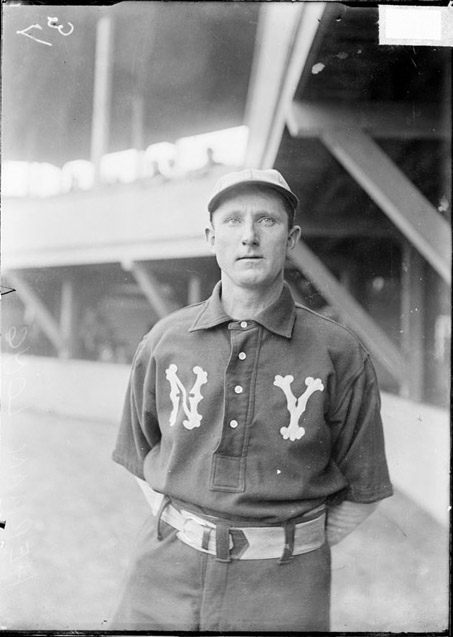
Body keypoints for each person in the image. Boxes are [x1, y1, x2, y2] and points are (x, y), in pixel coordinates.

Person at [110, 168, 393, 632]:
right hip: (165, 574)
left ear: (291, 238)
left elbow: (364, 490)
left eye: (267, 220)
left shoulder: (339, 352)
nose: (249, 236)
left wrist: (284, 545)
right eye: (233, 221)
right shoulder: (165, 340)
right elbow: (140, 454)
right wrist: (190, 529)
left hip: (283, 588)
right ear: (211, 237)